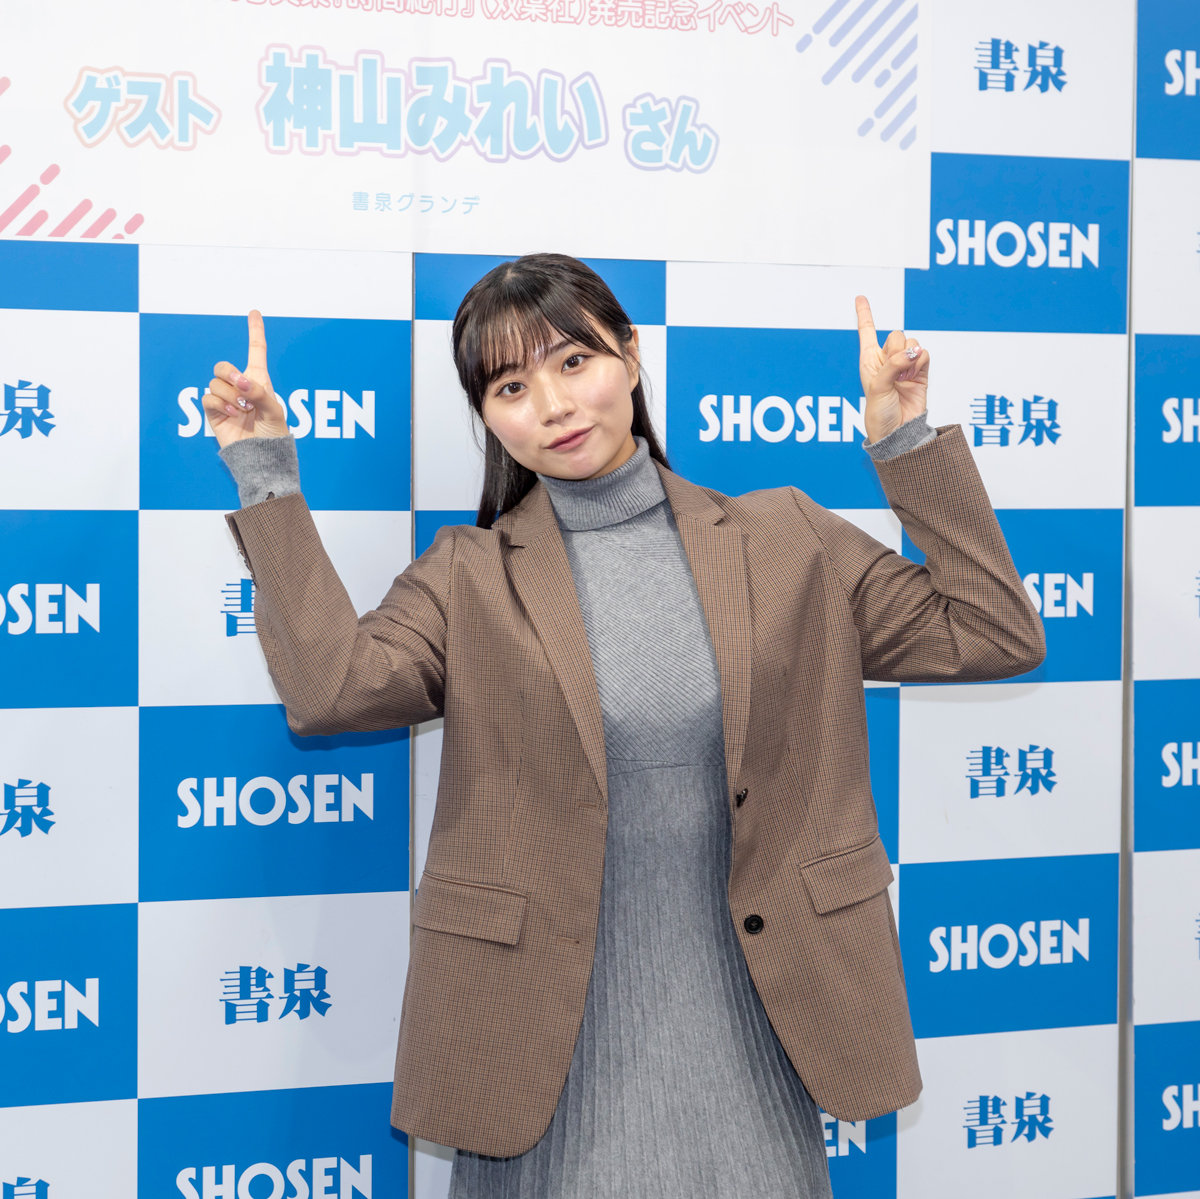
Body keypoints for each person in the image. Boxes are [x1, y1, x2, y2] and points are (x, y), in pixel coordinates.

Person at [205, 254, 1044, 1198]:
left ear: (631, 356)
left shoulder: (786, 539)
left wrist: (906, 445)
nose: (554, 405)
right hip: (540, 1060)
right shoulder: (469, 574)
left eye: (575, 363)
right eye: (511, 387)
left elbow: (993, 632)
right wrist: (265, 474)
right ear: (487, 417)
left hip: (761, 1031)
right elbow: (330, 690)